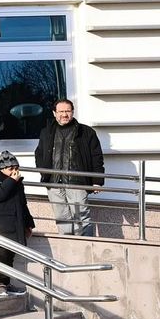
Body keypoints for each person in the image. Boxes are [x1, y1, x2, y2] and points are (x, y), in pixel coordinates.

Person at [35, 99, 104, 236]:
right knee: (62, 219)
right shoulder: (46, 132)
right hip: (54, 183)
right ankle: (67, 247)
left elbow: (96, 157)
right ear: (54, 113)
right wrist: (43, 172)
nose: (64, 114)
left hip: (77, 183)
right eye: (61, 111)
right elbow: (39, 154)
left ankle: (85, 246)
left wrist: (97, 180)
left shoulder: (86, 132)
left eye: (67, 111)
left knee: (81, 218)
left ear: (73, 112)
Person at [0, 151, 35, 296]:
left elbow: (23, 204)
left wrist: (28, 224)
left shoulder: (18, 182)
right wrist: (11, 181)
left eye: (16, 168)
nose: (14, 171)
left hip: (15, 225)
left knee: (10, 256)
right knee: (1, 255)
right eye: (11, 169)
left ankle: (7, 284)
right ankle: (1, 284)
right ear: (2, 169)